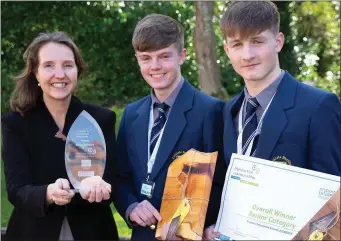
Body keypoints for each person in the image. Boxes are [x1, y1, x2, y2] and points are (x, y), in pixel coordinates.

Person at [203, 1, 341, 239]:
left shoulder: (319, 106)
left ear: (278, 41)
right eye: (237, 44)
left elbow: (333, 201)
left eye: (257, 41)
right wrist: (214, 225)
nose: (247, 55)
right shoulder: (230, 111)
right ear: (227, 50)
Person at [114, 14, 224, 240]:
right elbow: (119, 176)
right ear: (137, 59)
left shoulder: (210, 111)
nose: (155, 66)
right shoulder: (131, 114)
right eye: (146, 58)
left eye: (164, 56)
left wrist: (193, 225)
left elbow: (220, 182)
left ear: (182, 55)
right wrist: (131, 207)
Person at [1, 31, 119, 240]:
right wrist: (48, 193)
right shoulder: (16, 124)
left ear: (77, 71)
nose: (60, 74)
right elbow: (16, 189)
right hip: (33, 232)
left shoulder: (101, 119)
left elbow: (111, 182)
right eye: (48, 66)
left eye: (67, 65)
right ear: (36, 74)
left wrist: (100, 188)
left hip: (92, 231)